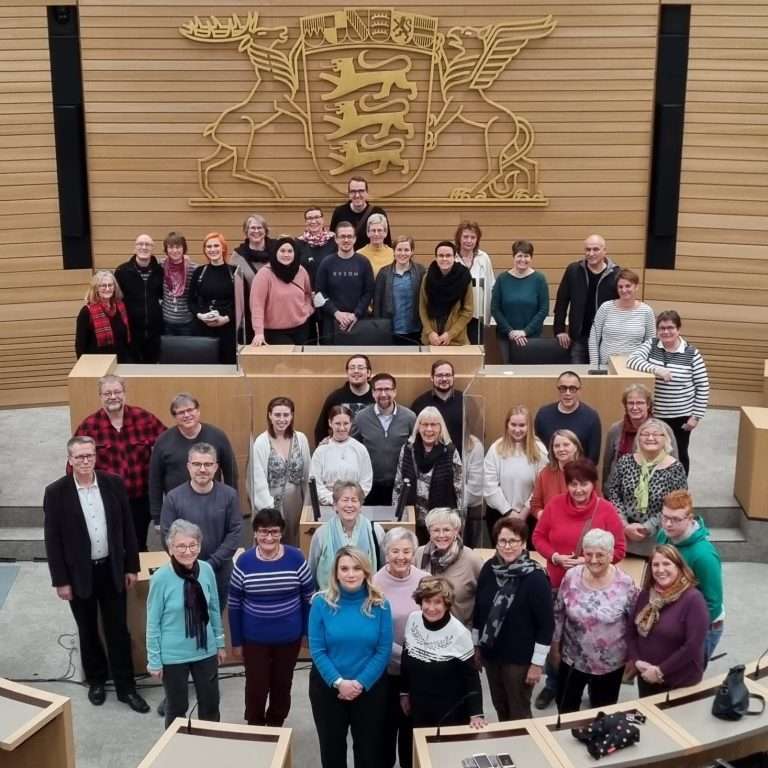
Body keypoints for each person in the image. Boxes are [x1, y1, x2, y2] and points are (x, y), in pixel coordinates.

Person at [43, 436, 148, 713]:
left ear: (95, 456)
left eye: (89, 455)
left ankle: (127, 687)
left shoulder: (113, 483)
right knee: (88, 630)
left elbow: (128, 528)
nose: (85, 461)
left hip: (112, 569)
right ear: (70, 460)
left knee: (118, 631)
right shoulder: (56, 492)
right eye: (79, 457)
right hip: (79, 576)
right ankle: (97, 681)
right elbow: (52, 541)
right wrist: (61, 581)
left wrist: (131, 566)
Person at [532, 458, 626, 709]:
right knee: (558, 638)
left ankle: (595, 684)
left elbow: (619, 548)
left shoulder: (605, 510)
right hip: (557, 582)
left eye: (584, 484)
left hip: (596, 586)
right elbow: (538, 536)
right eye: (573, 484)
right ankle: (553, 684)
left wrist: (589, 562)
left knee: (592, 634)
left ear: (593, 484)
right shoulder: (554, 505)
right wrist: (555, 556)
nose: (579, 490)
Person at [229, 508, 314, 726]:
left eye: (274, 532)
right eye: (263, 532)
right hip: (254, 640)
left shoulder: (296, 558)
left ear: (282, 533)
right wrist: (237, 642)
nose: (269, 537)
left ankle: (276, 725)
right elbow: (234, 604)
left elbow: (308, 599)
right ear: (255, 534)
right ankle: (256, 727)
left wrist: (306, 632)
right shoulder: (244, 562)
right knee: (256, 686)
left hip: (289, 639)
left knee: (282, 684)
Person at [308, 546, 392, 768]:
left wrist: (360, 683)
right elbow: (317, 650)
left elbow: (383, 651)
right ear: (335, 572)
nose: (350, 574)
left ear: (366, 571)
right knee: (332, 751)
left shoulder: (381, 604)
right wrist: (339, 683)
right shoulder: (320, 603)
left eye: (356, 568)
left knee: (368, 753)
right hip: (327, 689)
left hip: (370, 689)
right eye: (344, 568)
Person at [147, 519, 225, 728]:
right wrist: (154, 659)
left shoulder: (207, 570)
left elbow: (215, 609)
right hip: (173, 655)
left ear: (199, 546)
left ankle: (209, 749)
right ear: (170, 548)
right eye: (180, 546)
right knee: (177, 707)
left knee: (210, 705)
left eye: (192, 545)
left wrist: (220, 643)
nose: (187, 551)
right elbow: (152, 622)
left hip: (205, 649)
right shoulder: (161, 578)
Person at [73, 374, 165, 552]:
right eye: (107, 393)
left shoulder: (144, 418)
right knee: (113, 546)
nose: (113, 397)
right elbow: (74, 464)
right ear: (100, 396)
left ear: (125, 393)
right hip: (106, 500)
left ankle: (138, 578)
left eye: (117, 392)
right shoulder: (89, 426)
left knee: (137, 545)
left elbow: (167, 446)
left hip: (141, 499)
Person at [473, 517, 553, 721]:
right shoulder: (489, 568)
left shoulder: (536, 577)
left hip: (519, 661)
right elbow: (479, 611)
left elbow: (546, 626)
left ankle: (523, 750)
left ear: (524, 543)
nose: (507, 546)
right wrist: (476, 647)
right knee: (500, 705)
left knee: (519, 711)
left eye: (513, 541)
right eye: (502, 541)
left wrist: (537, 664)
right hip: (491, 656)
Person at [551, 529, 638, 713]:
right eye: (588, 554)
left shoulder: (625, 584)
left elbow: (634, 623)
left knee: (602, 712)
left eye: (600, 555)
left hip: (609, 664)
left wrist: (633, 656)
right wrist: (555, 647)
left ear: (611, 554)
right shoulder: (571, 576)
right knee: (565, 708)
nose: (593, 560)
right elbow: (559, 613)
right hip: (572, 658)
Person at [627, 310, 710, 474]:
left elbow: (703, 386)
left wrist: (696, 416)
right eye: (662, 328)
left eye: (670, 328)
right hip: (655, 415)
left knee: (679, 454)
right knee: (653, 452)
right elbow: (632, 360)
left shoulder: (691, 353)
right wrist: (657, 369)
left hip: (681, 416)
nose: (666, 332)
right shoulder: (651, 345)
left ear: (678, 329)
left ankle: (680, 492)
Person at [160, 442, 243, 606]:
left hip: (218, 571)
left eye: (208, 464)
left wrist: (211, 564)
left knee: (215, 618)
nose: (202, 469)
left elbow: (236, 532)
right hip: (184, 571)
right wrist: (189, 561)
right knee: (185, 620)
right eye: (197, 464)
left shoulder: (229, 495)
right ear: (188, 466)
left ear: (216, 467)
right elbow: (166, 535)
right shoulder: (173, 498)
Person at [400, 576, 486, 729]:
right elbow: (406, 659)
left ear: (447, 604)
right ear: (420, 602)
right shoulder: (413, 620)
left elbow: (471, 677)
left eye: (437, 602)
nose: (431, 608)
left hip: (449, 710)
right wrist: (404, 693)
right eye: (427, 601)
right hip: (418, 705)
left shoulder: (459, 633)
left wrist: (476, 714)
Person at [373, 528, 427, 768]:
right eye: (395, 551)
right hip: (383, 672)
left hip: (416, 671)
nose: (401, 557)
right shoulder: (374, 582)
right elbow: (373, 631)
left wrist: (414, 659)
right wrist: (401, 655)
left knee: (410, 732)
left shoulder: (424, 579)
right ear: (386, 553)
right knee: (384, 733)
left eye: (407, 551)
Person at [626, 544, 709, 696]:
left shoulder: (693, 600)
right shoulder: (646, 595)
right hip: (646, 677)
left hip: (679, 683)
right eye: (655, 564)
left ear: (679, 566)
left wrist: (660, 671)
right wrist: (637, 661)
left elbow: (693, 646)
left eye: (666, 563)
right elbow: (631, 631)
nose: (660, 569)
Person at [149, 392, 238, 525]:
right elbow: (155, 480)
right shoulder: (163, 441)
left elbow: (231, 473)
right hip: (177, 509)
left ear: (198, 411)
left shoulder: (218, 436)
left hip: (213, 506)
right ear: (174, 416)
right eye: (181, 412)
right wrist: (157, 517)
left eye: (190, 410)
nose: (186, 415)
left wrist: (233, 506)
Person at [656, 490, 724, 664]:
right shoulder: (664, 536)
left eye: (676, 519)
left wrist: (686, 632)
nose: (668, 524)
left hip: (700, 626)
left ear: (690, 518)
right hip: (673, 617)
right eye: (665, 517)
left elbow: (713, 604)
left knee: (683, 682)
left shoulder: (704, 556)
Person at [605, 418, 688, 555]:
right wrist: (624, 524)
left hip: (659, 537)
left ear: (665, 439)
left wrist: (647, 527)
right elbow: (613, 493)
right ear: (638, 438)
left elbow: (677, 505)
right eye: (645, 434)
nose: (650, 438)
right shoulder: (625, 461)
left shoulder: (675, 468)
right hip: (624, 534)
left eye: (656, 434)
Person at [392, 407, 463, 544]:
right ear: (418, 427)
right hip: (412, 519)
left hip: (440, 523)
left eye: (433, 425)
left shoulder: (450, 452)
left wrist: (459, 521)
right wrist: (396, 517)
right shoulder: (407, 449)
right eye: (424, 424)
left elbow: (459, 489)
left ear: (440, 428)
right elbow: (398, 485)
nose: (429, 429)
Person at [249, 396, 310, 546]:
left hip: (296, 501)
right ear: (269, 415)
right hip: (270, 501)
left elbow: (308, 473)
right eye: (277, 415)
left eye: (286, 415)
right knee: (273, 541)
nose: (281, 419)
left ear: (292, 416)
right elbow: (257, 480)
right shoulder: (261, 442)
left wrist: (307, 506)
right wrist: (270, 511)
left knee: (296, 542)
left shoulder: (301, 438)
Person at [553, 233, 621, 364]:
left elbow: (622, 307)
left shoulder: (616, 274)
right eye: (587, 249)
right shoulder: (573, 270)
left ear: (604, 251)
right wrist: (559, 330)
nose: (591, 253)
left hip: (605, 339)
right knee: (577, 378)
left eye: (595, 249)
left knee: (602, 379)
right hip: (579, 337)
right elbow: (562, 301)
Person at [483, 405, 548, 541]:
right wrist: (509, 512)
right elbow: (489, 486)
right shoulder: (496, 449)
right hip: (499, 514)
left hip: (530, 516)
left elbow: (541, 487)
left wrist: (524, 512)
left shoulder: (540, 450)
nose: (517, 430)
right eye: (513, 424)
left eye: (522, 425)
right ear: (507, 425)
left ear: (529, 426)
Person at [352, 373, 416, 505]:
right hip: (369, 486)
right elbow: (352, 448)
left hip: (400, 485)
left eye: (387, 389)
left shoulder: (409, 417)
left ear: (395, 391)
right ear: (373, 393)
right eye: (379, 390)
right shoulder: (361, 418)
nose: (383, 394)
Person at [308, 481, 385, 590]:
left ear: (361, 505)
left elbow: (383, 568)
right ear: (335, 505)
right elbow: (312, 569)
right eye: (345, 500)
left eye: (354, 500)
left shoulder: (375, 531)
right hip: (330, 599)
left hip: (366, 597)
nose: (349, 505)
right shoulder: (321, 533)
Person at [415, 508, 482, 627]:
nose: (441, 535)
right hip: (425, 630)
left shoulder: (472, 559)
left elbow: (483, 599)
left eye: (446, 530)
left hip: (460, 633)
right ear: (429, 531)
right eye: (436, 530)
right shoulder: (419, 554)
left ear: (456, 531)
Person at [602, 384, 678, 486]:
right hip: (619, 488)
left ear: (648, 405)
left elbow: (675, 463)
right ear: (625, 405)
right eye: (630, 403)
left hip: (656, 489)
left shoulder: (664, 429)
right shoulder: (615, 430)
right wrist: (606, 487)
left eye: (640, 403)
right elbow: (607, 463)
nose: (635, 407)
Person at [189, 232, 244, 364]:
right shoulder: (199, 272)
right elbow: (191, 301)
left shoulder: (235, 272)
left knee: (228, 366)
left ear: (223, 248)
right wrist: (200, 315)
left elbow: (242, 304)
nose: (212, 250)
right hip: (203, 328)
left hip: (227, 329)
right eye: (208, 247)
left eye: (216, 246)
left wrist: (226, 318)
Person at [315, 221, 375, 342]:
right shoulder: (326, 263)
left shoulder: (364, 262)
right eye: (342, 236)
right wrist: (336, 313)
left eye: (349, 236)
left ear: (355, 239)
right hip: (331, 323)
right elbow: (319, 293)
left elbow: (368, 292)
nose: (346, 240)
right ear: (336, 239)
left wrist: (355, 315)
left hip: (358, 322)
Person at [490, 239, 549, 363]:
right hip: (505, 337)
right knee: (508, 371)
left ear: (531, 258)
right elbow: (495, 308)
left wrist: (525, 332)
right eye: (519, 256)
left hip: (532, 337)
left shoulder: (539, 279)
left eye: (526, 256)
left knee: (528, 372)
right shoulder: (502, 279)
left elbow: (544, 309)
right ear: (513, 257)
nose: (523, 259)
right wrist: (510, 332)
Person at [249, 236, 313, 346]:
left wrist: (307, 310)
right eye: (282, 251)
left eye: (290, 251)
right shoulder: (264, 274)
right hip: (275, 332)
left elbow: (307, 294)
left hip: (301, 328)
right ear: (275, 252)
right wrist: (258, 333)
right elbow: (257, 305)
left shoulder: (301, 271)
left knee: (301, 362)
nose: (286, 254)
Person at [588, 268, 654, 368]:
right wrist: (594, 365)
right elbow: (594, 338)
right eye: (620, 287)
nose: (624, 290)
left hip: (633, 367)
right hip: (606, 365)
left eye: (628, 286)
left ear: (636, 287)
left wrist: (645, 365)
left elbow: (650, 342)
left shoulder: (646, 311)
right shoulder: (605, 307)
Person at [114, 233, 164, 363]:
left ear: (152, 248)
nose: (144, 247)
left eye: (147, 244)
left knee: (152, 371)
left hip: (155, 333)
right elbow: (115, 299)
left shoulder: (160, 271)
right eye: (140, 244)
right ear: (135, 248)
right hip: (131, 333)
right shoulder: (122, 271)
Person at [310, 405, 373, 506]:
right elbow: (316, 483)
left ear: (351, 423)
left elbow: (366, 481)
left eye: (346, 423)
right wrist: (334, 500)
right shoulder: (321, 451)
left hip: (353, 505)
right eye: (337, 423)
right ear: (330, 423)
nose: (342, 428)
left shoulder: (360, 449)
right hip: (328, 506)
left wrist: (350, 500)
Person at [534, 371, 602, 464]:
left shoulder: (591, 417)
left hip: (578, 475)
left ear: (579, 391)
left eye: (572, 389)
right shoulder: (543, 414)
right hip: (549, 472)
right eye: (563, 388)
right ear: (558, 390)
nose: (567, 393)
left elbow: (593, 458)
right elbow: (537, 448)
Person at [372, 234, 425, 345]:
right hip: (390, 330)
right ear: (394, 251)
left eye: (406, 250)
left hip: (415, 330)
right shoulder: (384, 273)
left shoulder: (421, 271)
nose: (402, 253)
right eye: (399, 250)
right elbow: (377, 303)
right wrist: (378, 327)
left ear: (412, 252)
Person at [419, 240, 474, 346]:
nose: (444, 259)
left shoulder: (464, 277)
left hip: (456, 340)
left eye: (448, 255)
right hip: (431, 340)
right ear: (436, 258)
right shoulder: (427, 278)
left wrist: (450, 334)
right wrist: (429, 332)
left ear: (455, 257)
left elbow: (468, 311)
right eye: (441, 255)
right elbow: (422, 308)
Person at [314, 353, 374, 445]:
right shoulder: (335, 397)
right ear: (347, 372)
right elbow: (321, 429)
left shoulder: (377, 396)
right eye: (352, 368)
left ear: (369, 372)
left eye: (360, 368)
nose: (356, 371)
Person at [75, 270, 132, 361]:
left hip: (121, 361)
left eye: (110, 285)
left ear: (114, 287)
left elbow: (126, 340)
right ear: (96, 288)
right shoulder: (86, 312)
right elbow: (80, 345)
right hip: (97, 364)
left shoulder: (121, 307)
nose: (107, 288)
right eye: (103, 285)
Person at [455, 220, 495, 345]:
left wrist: (488, 317)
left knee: (476, 350)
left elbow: (490, 285)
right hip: (456, 315)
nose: (469, 240)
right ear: (459, 238)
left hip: (478, 315)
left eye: (473, 237)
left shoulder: (483, 257)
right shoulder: (451, 257)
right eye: (465, 237)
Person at [411, 360, 465, 450]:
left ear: (453, 377)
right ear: (432, 378)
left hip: (461, 460)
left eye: (448, 375)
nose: (444, 379)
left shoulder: (466, 401)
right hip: (429, 462)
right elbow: (414, 436)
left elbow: (476, 435)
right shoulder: (419, 403)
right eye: (439, 375)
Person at [530, 430, 584, 522]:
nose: (561, 449)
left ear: (576, 447)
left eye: (566, 445)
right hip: (551, 526)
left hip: (580, 525)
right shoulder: (545, 473)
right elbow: (535, 504)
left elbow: (598, 502)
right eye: (556, 446)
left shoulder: (586, 472)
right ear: (552, 450)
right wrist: (543, 516)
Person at [329, 176, 391, 249]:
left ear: (367, 193)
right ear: (349, 194)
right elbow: (333, 241)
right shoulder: (339, 212)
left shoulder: (378, 213)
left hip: (372, 259)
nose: (357, 195)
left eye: (361, 191)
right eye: (353, 191)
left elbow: (387, 242)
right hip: (346, 258)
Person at [160, 231, 198, 336]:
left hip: (187, 323)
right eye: (171, 247)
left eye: (178, 247)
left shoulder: (193, 268)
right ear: (166, 250)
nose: (174, 250)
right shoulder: (161, 266)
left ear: (183, 248)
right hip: (166, 322)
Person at [296, 206, 336, 288]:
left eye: (317, 217)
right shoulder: (298, 243)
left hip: (331, 291)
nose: (313, 221)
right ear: (305, 222)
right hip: (307, 291)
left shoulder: (334, 240)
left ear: (323, 220)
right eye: (309, 218)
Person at [358, 212, 393, 277]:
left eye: (379, 230)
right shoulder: (359, 254)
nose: (376, 234)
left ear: (385, 233)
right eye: (373, 230)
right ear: (368, 232)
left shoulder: (393, 254)